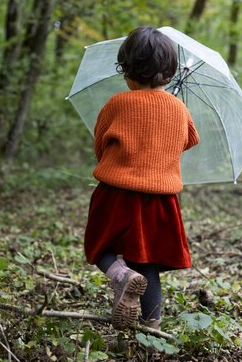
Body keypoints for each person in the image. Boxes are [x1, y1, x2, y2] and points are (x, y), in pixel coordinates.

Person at [84, 26, 200, 331]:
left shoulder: (117, 104)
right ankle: (153, 328)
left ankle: (121, 276)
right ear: (169, 73)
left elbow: (101, 145)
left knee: (98, 244)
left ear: (128, 70)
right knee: (147, 260)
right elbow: (189, 139)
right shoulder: (179, 108)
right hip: (160, 199)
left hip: (116, 192)